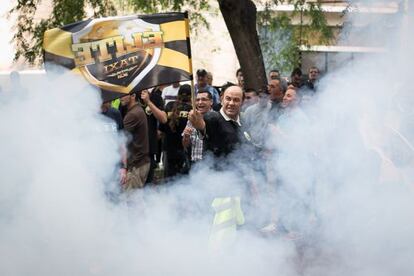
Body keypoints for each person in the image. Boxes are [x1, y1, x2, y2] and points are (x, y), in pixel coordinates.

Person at [189, 85, 245, 158]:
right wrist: (200, 125)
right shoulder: (212, 118)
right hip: (216, 167)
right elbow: (204, 128)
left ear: (242, 103)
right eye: (228, 99)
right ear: (221, 100)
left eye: (236, 100)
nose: (231, 103)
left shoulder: (244, 121)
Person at [159, 84, 193, 179]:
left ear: (178, 94)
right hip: (185, 150)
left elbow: (160, 131)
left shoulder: (169, 106)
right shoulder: (192, 110)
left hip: (169, 149)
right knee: (185, 182)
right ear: (191, 96)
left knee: (169, 181)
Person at [120, 92, 150, 190]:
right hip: (140, 162)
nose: (120, 97)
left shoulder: (133, 114)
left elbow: (120, 140)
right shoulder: (137, 110)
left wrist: (124, 167)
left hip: (136, 165)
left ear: (133, 96)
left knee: (130, 201)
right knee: (136, 200)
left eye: (123, 94)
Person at [140, 87, 167, 184]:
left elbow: (163, 119)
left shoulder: (156, 97)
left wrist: (148, 102)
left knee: (147, 186)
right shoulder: (131, 96)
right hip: (133, 152)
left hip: (149, 149)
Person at [182, 89, 213, 163]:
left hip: (211, 163)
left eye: (204, 99)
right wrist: (186, 137)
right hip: (194, 163)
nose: (200, 102)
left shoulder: (216, 118)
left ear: (211, 102)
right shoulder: (192, 119)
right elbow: (185, 145)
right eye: (197, 100)